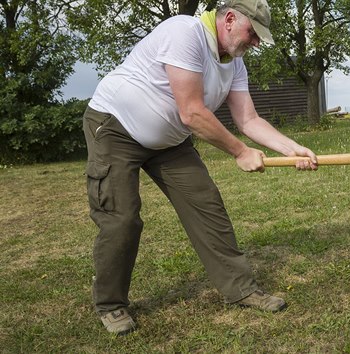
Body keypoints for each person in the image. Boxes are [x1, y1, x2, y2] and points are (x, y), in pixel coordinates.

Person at [82, 0, 318, 336]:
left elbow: (248, 119)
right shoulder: (184, 32)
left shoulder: (235, 65)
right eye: (253, 34)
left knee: (206, 205)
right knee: (121, 217)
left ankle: (242, 289)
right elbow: (192, 112)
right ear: (231, 19)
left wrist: (292, 149)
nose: (255, 43)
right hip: (115, 127)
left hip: (170, 141)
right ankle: (110, 303)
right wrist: (239, 152)